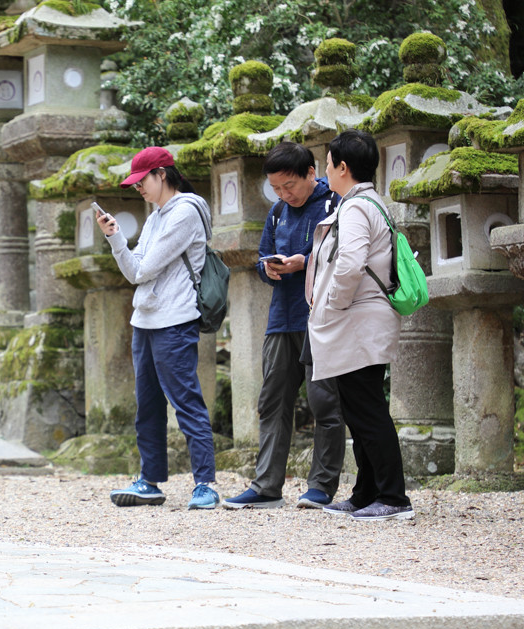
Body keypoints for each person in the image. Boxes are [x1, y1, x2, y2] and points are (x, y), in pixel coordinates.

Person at [224, 142, 347, 510]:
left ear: (312, 172)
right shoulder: (277, 212)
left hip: (320, 317)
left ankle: (321, 486)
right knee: (272, 401)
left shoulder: (334, 205)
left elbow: (342, 255)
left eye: (289, 185)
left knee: (324, 401)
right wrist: (271, 267)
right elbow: (262, 260)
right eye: (276, 188)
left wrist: (304, 262)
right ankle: (266, 486)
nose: (284, 194)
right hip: (281, 318)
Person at [98, 147, 219, 510]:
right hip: (146, 321)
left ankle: (206, 484)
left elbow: (141, 270)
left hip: (175, 320)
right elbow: (135, 268)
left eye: (141, 181)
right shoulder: (156, 216)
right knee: (147, 405)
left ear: (162, 174)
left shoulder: (184, 212)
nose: (138, 189)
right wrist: (115, 236)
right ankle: (149, 481)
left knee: (186, 401)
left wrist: (121, 246)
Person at [306, 129, 414, 521]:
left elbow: (349, 264)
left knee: (366, 411)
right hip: (366, 320)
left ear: (343, 167)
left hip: (357, 320)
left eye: (328, 164)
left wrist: (330, 306)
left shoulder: (354, 207)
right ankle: (367, 492)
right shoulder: (371, 201)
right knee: (360, 409)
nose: (325, 171)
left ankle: (394, 499)